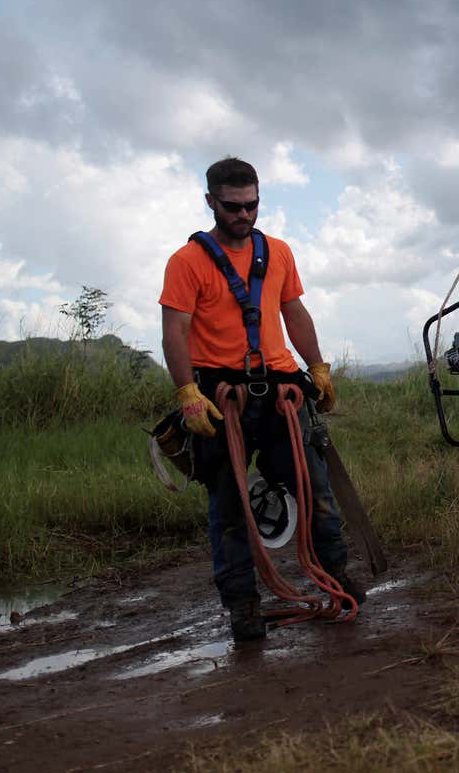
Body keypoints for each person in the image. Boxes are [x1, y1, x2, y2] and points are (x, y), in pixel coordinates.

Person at [159, 157, 361, 642]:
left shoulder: (279, 253)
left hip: (281, 395)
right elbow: (175, 331)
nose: (243, 216)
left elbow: (294, 312)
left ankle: (337, 582)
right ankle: (244, 606)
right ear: (211, 202)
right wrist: (187, 392)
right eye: (232, 207)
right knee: (229, 510)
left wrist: (317, 367)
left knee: (317, 494)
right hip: (221, 398)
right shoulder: (186, 263)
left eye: (251, 205)